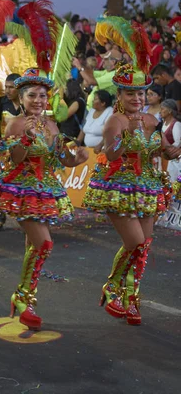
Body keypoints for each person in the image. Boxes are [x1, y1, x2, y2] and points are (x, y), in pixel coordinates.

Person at [0, 68, 89, 331]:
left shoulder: (53, 125)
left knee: (35, 246)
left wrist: (75, 160)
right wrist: (27, 137)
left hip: (45, 189)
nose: (38, 100)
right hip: (22, 189)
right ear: (21, 99)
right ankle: (22, 297)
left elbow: (59, 159)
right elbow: (16, 159)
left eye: (43, 95)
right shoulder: (15, 124)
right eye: (32, 95)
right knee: (44, 243)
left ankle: (26, 300)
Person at [82, 65, 181, 325]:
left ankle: (131, 298)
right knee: (136, 242)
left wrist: (172, 151)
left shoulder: (151, 120)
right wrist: (128, 132)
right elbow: (112, 153)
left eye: (141, 94)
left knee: (143, 247)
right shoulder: (114, 121)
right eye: (130, 94)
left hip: (146, 187)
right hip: (119, 188)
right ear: (119, 95)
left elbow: (162, 148)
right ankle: (112, 287)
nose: (137, 99)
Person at [0, 73, 22, 230]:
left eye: (11, 87)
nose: (8, 90)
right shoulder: (1, 102)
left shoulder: (27, 103)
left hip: (23, 150)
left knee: (22, 182)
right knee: (1, 181)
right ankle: (0, 214)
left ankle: (25, 215)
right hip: (4, 150)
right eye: (6, 87)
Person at [161, 99, 181, 180]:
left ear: (169, 110)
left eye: (162, 109)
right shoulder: (164, 124)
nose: (160, 111)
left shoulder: (176, 124)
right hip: (165, 157)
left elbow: (178, 143)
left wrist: (166, 149)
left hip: (174, 160)